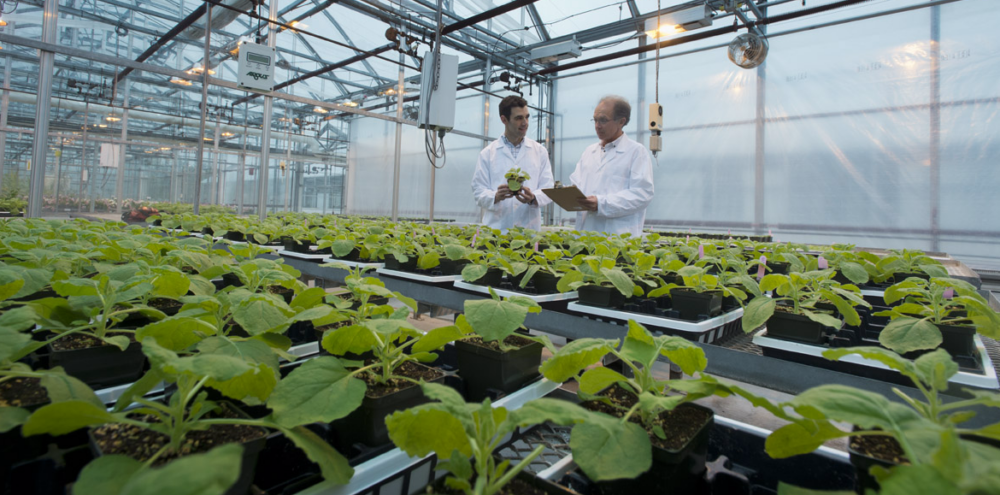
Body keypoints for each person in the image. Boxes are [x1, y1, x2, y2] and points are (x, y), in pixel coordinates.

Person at [570, 95, 654, 236]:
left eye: (603, 120)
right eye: (595, 120)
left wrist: (602, 203)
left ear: (621, 121)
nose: (597, 125)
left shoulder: (636, 152)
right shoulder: (589, 152)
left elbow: (642, 194)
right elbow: (576, 183)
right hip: (586, 232)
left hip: (617, 235)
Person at [471, 95, 554, 232]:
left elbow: (548, 188)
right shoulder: (488, 153)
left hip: (529, 231)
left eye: (527, 117)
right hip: (496, 231)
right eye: (518, 118)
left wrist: (533, 198)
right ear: (504, 120)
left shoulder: (539, 151)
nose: (525, 122)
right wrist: (495, 196)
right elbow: (478, 191)